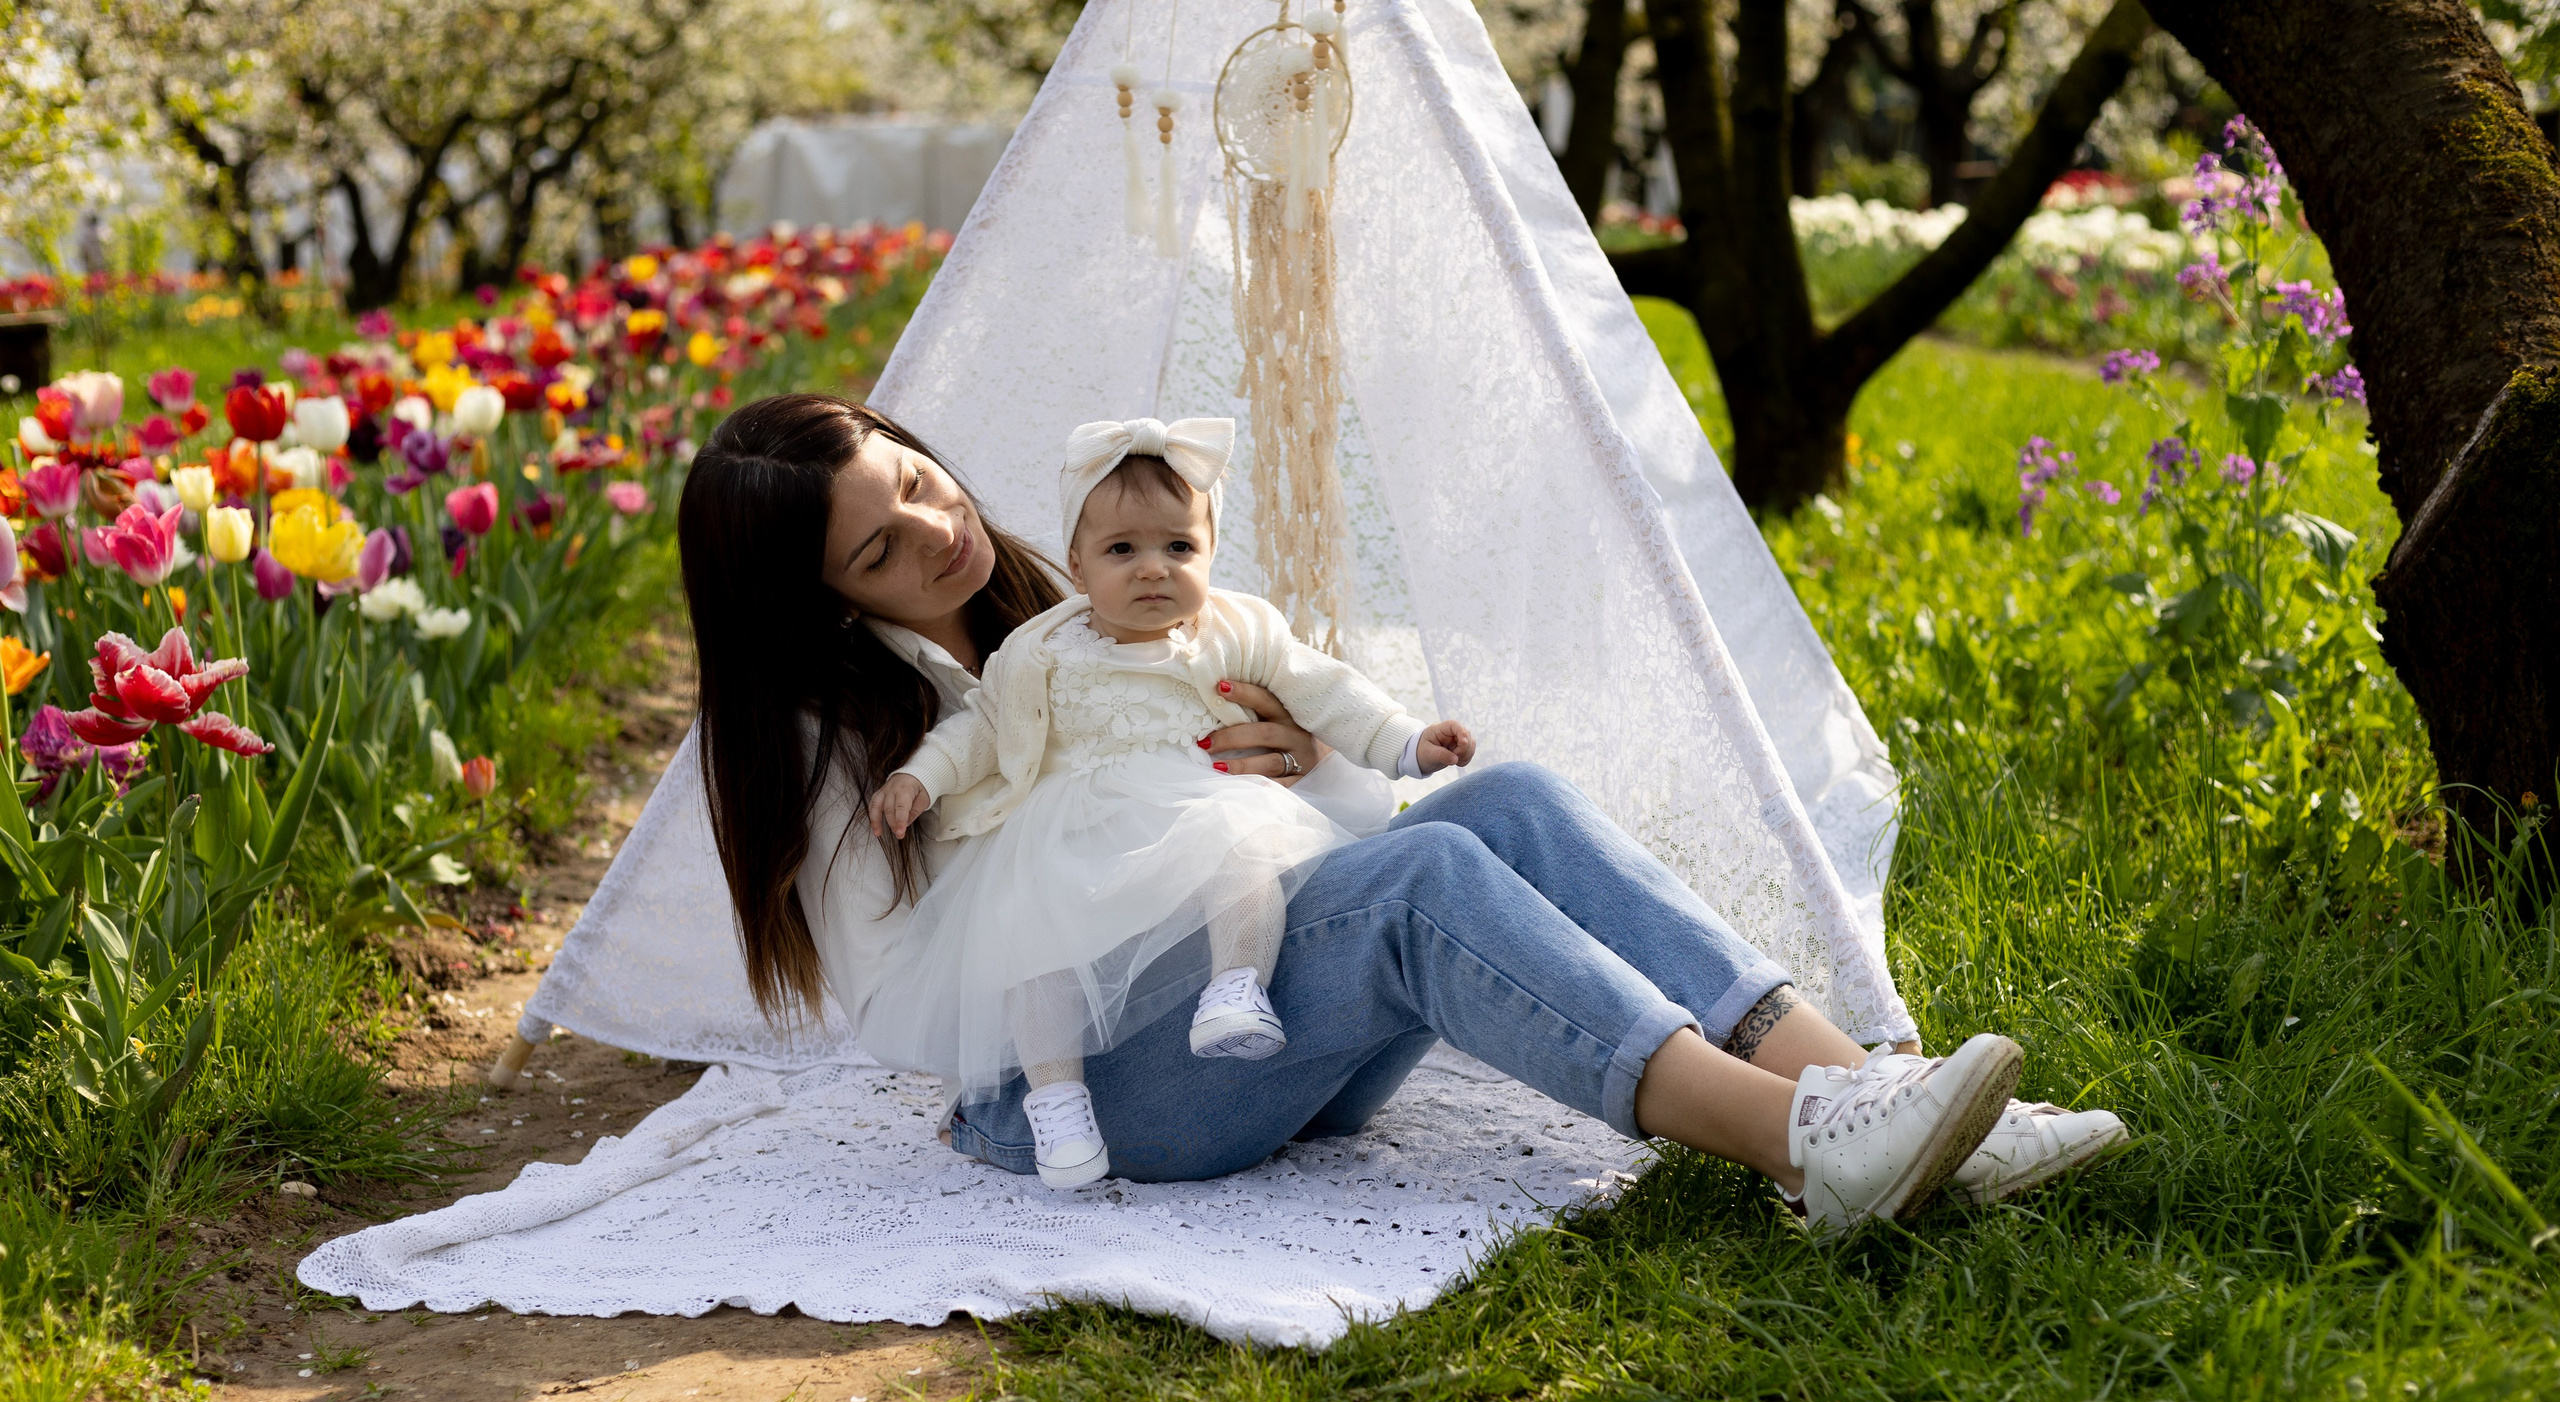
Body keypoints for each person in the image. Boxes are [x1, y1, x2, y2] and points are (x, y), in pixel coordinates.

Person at [680, 395, 2127, 1238]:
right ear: (821, 600)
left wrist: (1301, 757)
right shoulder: (840, 752)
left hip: (1229, 1021)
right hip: (1080, 1096)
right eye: (881, 544)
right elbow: (926, 1011)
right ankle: (1810, 1150)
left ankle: (1876, 1086)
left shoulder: (1064, 621)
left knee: (1502, 799)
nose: (935, 529)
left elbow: (1268, 819)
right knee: (1422, 881)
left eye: (920, 482)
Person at [864, 416, 1480, 1188]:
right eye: (1124, 550)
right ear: (1078, 567)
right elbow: (982, 729)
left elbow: (1326, 691)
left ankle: (1235, 989)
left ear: (1211, 553)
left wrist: (1407, 741)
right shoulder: (1042, 649)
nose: (1154, 568)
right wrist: (922, 776)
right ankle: (1056, 1107)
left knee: (1243, 848)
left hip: (1196, 804)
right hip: (1076, 838)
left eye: (1179, 547)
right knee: (1030, 947)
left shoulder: (1236, 627)